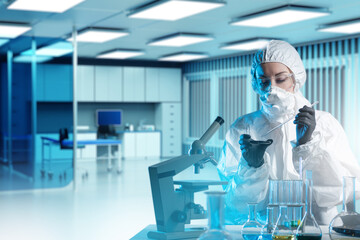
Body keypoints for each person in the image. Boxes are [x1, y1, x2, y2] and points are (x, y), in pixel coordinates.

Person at [217, 40, 360, 225]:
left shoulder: (324, 124)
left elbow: (343, 190)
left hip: (318, 228)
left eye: (281, 79)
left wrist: (307, 146)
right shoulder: (243, 127)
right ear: (256, 83)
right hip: (265, 229)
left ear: (296, 78)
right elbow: (236, 203)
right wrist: (252, 167)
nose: (272, 88)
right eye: (263, 81)